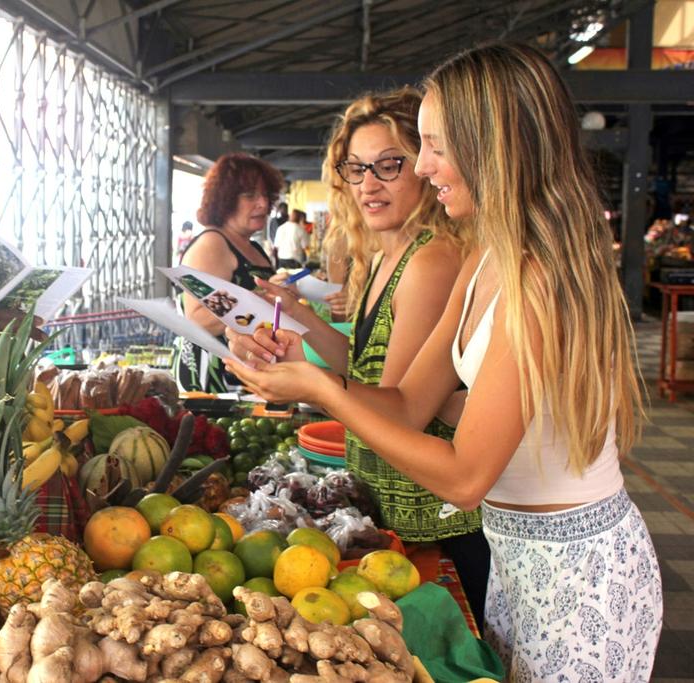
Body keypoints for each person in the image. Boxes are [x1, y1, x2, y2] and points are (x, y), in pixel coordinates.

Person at [225, 43, 662, 679]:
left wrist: (326, 392)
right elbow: (408, 403)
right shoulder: (484, 258)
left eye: (433, 146)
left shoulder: (534, 281)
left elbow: (463, 478)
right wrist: (308, 369)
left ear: (493, 147)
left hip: (581, 575)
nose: (425, 168)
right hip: (516, 556)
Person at [241, 87, 489, 626]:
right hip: (393, 508)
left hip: (432, 523)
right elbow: (367, 364)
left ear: (424, 166)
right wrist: (301, 321)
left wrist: (312, 383)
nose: (368, 185)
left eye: (388, 166)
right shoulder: (386, 255)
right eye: (357, 169)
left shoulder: (431, 260)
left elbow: (399, 405)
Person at [172, 153, 282, 393]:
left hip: (246, 374)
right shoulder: (213, 244)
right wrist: (263, 295)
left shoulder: (252, 246)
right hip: (213, 380)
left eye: (265, 195)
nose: (263, 204)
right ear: (225, 199)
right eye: (250, 195)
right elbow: (200, 318)